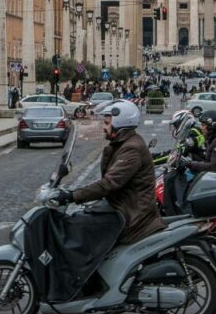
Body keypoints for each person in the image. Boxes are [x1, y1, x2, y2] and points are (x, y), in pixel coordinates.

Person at [54, 101, 166, 245]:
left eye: (107, 123)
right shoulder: (124, 144)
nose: (103, 127)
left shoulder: (131, 149)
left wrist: (72, 196)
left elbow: (109, 183)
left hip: (132, 215)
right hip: (123, 207)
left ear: (119, 124)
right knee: (83, 218)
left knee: (80, 227)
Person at [182, 110, 216, 177]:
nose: (201, 128)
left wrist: (190, 164)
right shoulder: (212, 139)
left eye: (203, 125)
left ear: (212, 126)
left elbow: (213, 166)